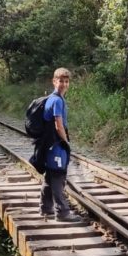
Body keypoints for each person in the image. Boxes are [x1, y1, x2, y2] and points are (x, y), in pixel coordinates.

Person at [39, 67, 81, 222]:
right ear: (54, 81)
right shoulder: (57, 100)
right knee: (58, 177)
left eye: (66, 81)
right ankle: (62, 212)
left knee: (50, 176)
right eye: (60, 81)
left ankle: (45, 208)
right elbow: (59, 125)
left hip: (49, 144)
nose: (63, 84)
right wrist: (66, 142)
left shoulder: (51, 98)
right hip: (56, 145)